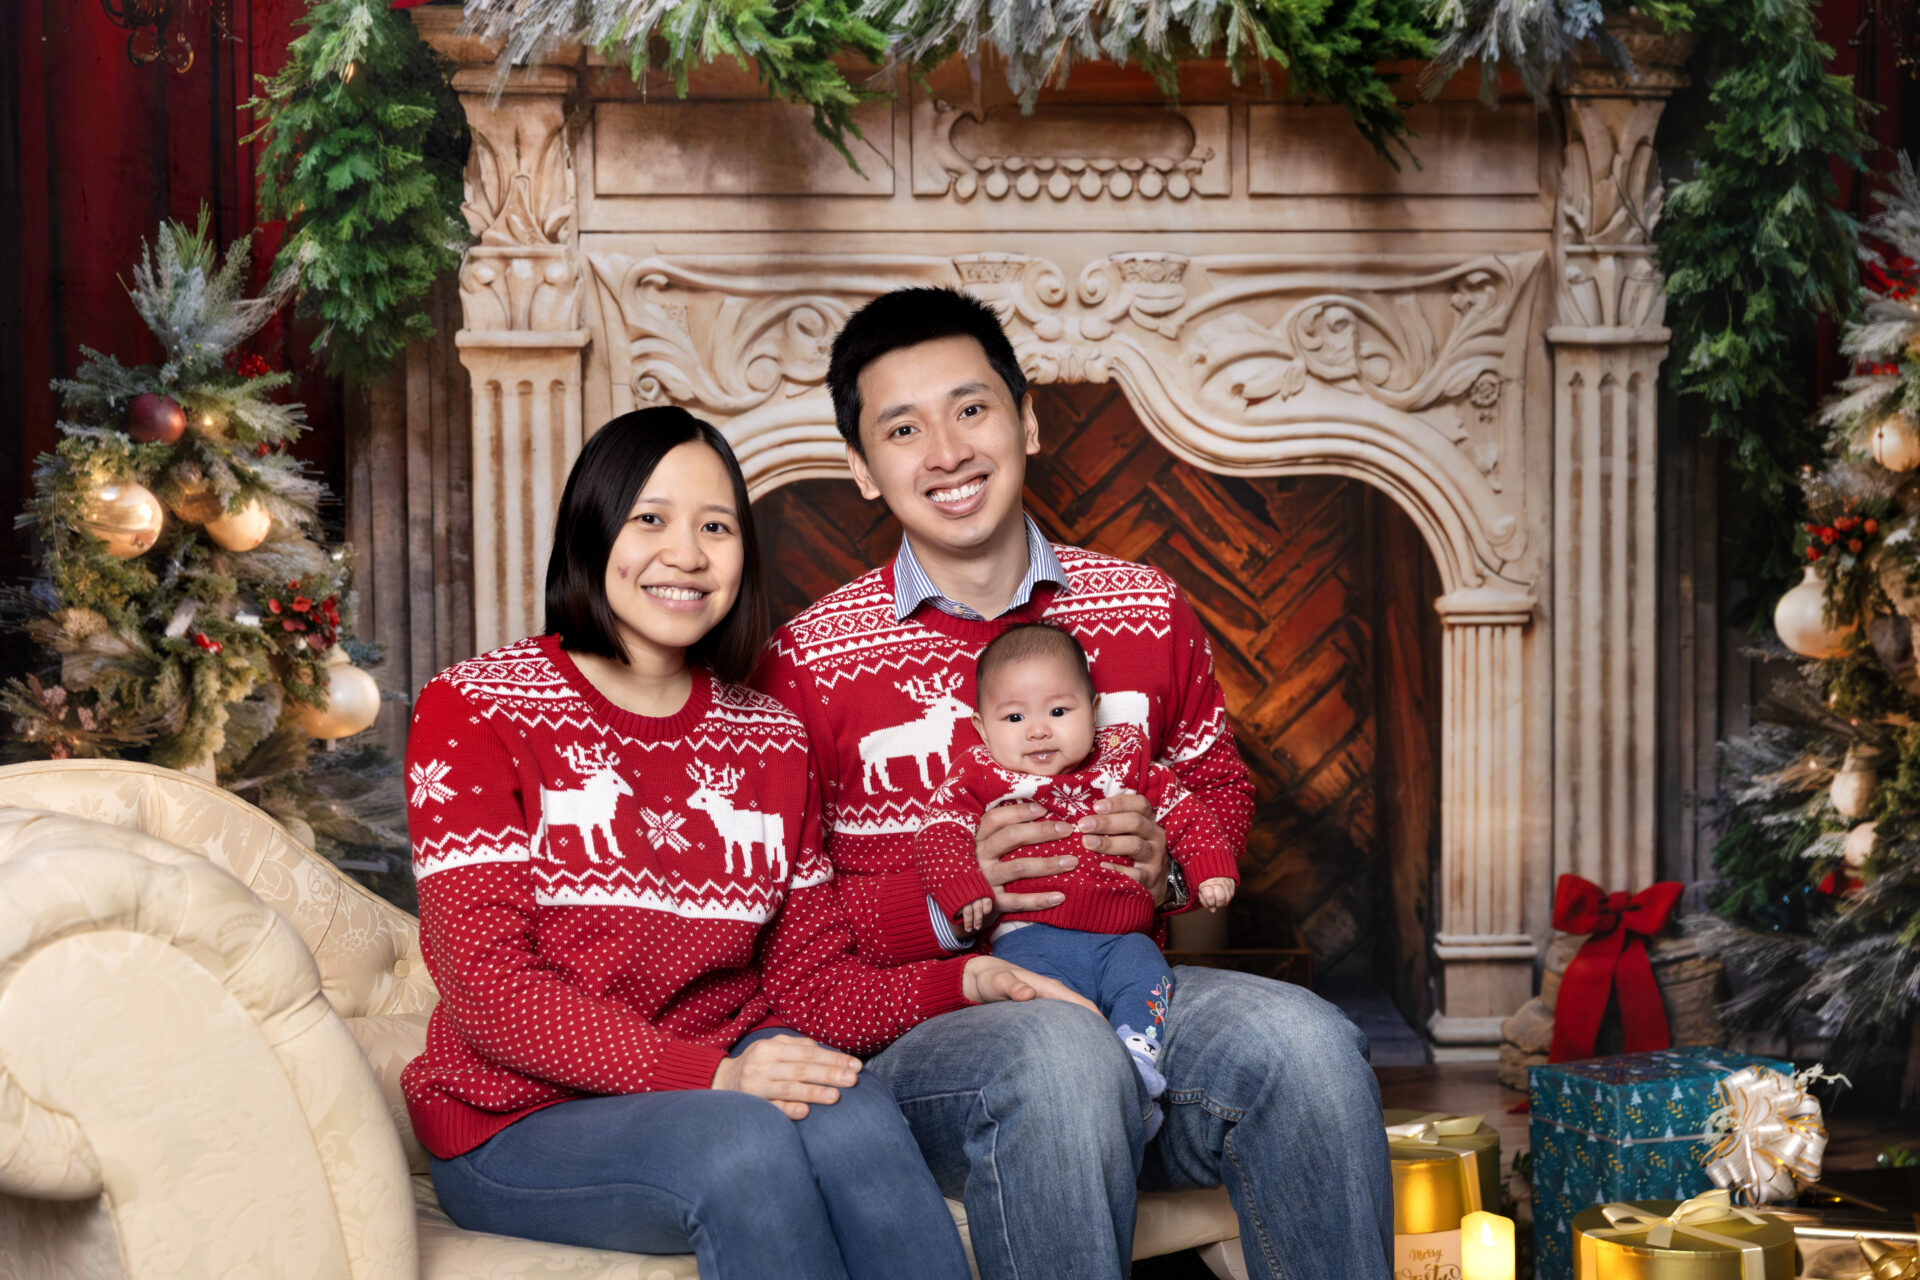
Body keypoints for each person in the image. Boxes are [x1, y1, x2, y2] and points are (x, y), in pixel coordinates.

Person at [752, 287, 1394, 1280]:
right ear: (862, 469)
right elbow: (794, 934)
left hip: (1127, 988)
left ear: (1028, 419)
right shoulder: (804, 663)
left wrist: (1170, 859)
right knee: (1058, 1054)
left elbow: (1215, 783)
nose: (948, 451)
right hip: (923, 1036)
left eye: (971, 409)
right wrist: (950, 893)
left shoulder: (1145, 607)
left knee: (1306, 1043)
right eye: (903, 428)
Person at [401, 405, 1091, 1280]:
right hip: (519, 1119)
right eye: (650, 519)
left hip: (726, 1076)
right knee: (743, 1146)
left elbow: (813, 988)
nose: (686, 554)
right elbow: (490, 993)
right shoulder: (474, 707)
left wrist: (965, 978)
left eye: (716, 526)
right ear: (591, 528)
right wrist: (713, 1077)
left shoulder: (770, 738)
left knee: (859, 1114)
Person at [913, 622, 1240, 1137]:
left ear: (1094, 708)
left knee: (1150, 977)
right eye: (1015, 717)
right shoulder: (978, 776)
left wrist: (1205, 869)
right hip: (1031, 942)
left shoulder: (1124, 760)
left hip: (1123, 938)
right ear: (981, 729)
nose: (1038, 730)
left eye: (1059, 712)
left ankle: (1137, 1063)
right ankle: (1106, 1087)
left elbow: (1184, 810)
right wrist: (965, 889)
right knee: (1050, 1025)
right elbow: (940, 833)